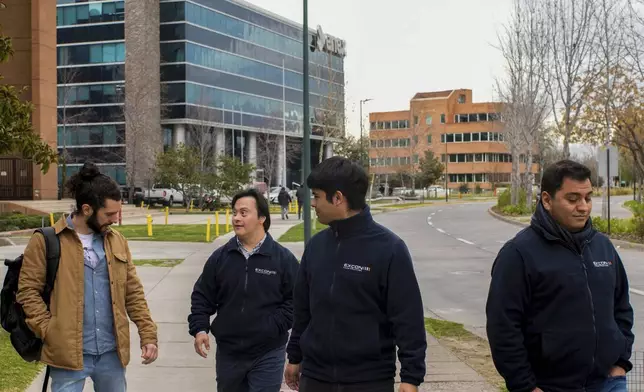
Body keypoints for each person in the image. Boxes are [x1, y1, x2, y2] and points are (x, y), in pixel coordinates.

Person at [486, 160, 634, 392]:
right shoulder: (519, 254)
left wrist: (621, 362)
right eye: (572, 199)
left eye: (587, 198)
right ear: (547, 200)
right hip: (549, 386)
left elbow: (622, 307)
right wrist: (525, 386)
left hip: (608, 382)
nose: (583, 207)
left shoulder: (603, 246)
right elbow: (503, 327)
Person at [284, 156, 427, 392]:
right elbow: (303, 310)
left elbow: (407, 319)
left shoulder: (389, 249)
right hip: (315, 377)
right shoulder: (316, 247)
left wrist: (411, 378)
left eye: (317, 196)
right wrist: (295, 356)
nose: (312, 203)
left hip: (369, 380)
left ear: (338, 198)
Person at [17, 162, 158, 392]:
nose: (115, 219)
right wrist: (49, 329)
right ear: (87, 209)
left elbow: (133, 292)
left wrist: (148, 334)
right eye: (110, 214)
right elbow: (27, 292)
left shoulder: (117, 241)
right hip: (68, 355)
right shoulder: (46, 240)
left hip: (112, 354)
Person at [189, 188, 300, 392]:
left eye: (243, 213)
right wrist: (200, 328)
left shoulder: (283, 259)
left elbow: (297, 301)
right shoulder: (220, 258)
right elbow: (202, 296)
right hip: (229, 353)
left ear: (261, 218)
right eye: (234, 213)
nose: (236, 218)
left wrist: (271, 325)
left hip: (268, 352)